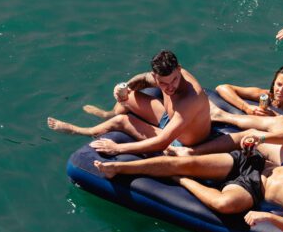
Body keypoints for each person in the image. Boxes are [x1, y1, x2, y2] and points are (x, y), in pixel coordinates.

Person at [96, 124, 283, 232]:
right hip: (254, 164)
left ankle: (183, 180)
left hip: (254, 189)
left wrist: (270, 218)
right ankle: (119, 166)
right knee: (187, 161)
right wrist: (262, 140)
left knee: (225, 203)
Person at [47, 50, 211, 155]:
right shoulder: (162, 77)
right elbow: (143, 79)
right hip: (169, 118)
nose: (169, 88)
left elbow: (162, 142)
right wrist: (124, 88)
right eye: (163, 83)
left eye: (174, 80)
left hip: (180, 140)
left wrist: (117, 148)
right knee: (128, 98)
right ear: (156, 77)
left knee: (122, 121)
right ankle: (107, 114)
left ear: (179, 69)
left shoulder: (190, 100)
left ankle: (80, 130)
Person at [211, 65, 283, 134]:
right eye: (278, 84)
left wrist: (276, 116)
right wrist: (246, 107)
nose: (280, 90)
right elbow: (222, 88)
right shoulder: (266, 95)